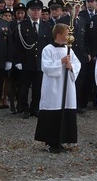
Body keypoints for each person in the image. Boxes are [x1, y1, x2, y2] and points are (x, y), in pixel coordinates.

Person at [34, 23, 81, 153]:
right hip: (53, 86)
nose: (69, 37)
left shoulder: (69, 49)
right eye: (67, 34)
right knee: (53, 111)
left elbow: (77, 64)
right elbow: (46, 67)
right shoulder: (48, 49)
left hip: (67, 86)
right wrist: (61, 62)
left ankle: (62, 139)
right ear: (58, 35)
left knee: (65, 109)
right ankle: (51, 142)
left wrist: (70, 66)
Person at [13, 0, 52, 118]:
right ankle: (24, 108)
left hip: (40, 62)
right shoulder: (21, 26)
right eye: (33, 10)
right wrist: (17, 61)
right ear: (29, 11)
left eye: (38, 10)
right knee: (23, 87)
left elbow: (49, 45)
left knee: (38, 87)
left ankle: (35, 108)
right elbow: (16, 45)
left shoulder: (47, 26)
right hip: (26, 61)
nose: (36, 12)